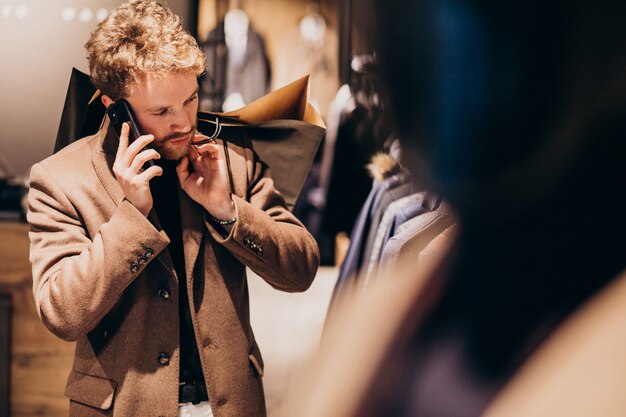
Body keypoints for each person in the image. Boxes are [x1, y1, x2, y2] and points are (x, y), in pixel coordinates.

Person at [27, 1, 320, 416]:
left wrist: (227, 209)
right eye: (162, 111)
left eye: (191, 98)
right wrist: (131, 218)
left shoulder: (232, 159)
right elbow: (61, 313)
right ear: (116, 107)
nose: (183, 121)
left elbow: (301, 269)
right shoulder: (61, 179)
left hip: (231, 403)